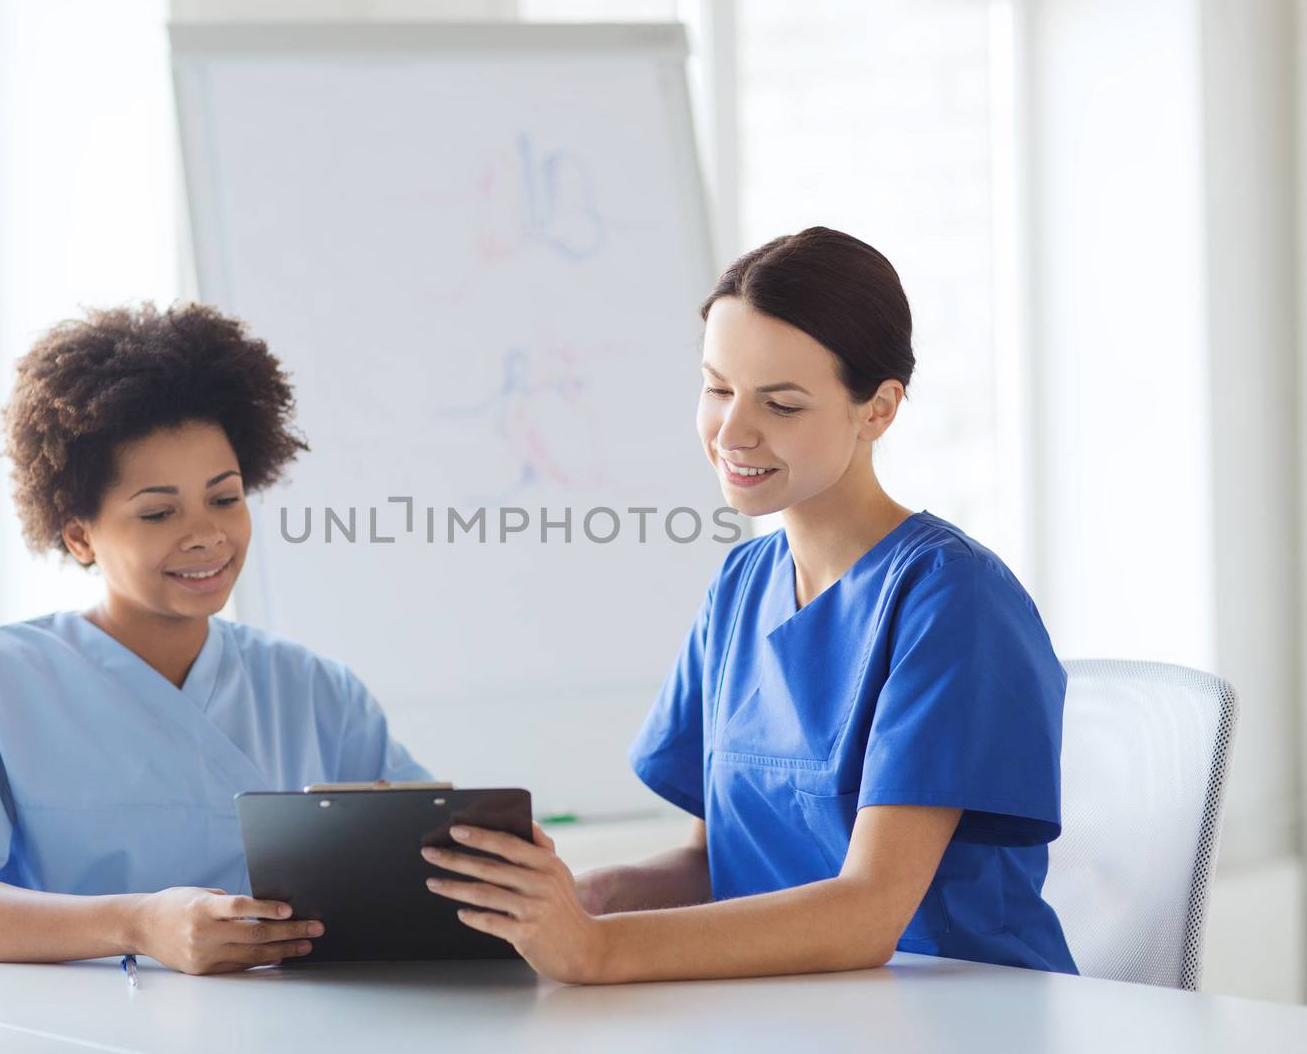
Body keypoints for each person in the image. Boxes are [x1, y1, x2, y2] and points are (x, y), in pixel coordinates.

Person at [423, 227, 1076, 984]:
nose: (732, 431)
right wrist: (582, 899)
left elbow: (868, 912)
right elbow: (714, 863)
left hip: (961, 1011)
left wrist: (598, 948)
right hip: (789, 1008)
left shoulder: (950, 598)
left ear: (880, 409)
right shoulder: (741, 584)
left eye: (782, 403)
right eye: (718, 388)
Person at [0, 303, 429, 974]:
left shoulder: (318, 691)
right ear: (79, 533)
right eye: (159, 511)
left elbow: (435, 858)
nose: (206, 534)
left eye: (224, 498)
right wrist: (139, 923)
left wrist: (501, 863)